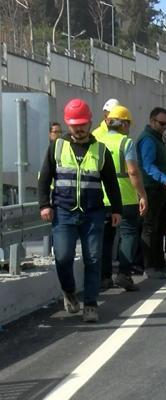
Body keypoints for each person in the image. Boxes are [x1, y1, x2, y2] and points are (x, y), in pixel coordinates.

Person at [38, 98, 122, 322]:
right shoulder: (57, 147)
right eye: (75, 124)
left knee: (93, 259)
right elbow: (44, 178)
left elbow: (111, 183)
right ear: (68, 123)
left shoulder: (100, 150)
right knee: (63, 257)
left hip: (93, 212)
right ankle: (69, 291)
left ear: (90, 121)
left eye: (83, 123)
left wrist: (116, 210)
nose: (79, 128)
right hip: (64, 211)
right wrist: (44, 205)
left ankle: (91, 305)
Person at [99, 105, 148, 291]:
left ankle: (104, 277)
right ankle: (124, 274)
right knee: (128, 234)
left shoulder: (97, 140)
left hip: (102, 198)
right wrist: (142, 195)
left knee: (106, 237)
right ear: (124, 124)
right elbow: (133, 171)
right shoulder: (126, 143)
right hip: (125, 196)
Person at [137, 106, 166, 279]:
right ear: (152, 121)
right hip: (151, 189)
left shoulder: (157, 138)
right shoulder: (148, 139)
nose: (164, 126)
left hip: (158, 190)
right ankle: (151, 266)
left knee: (159, 228)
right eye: (161, 123)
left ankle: (159, 265)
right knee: (150, 229)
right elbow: (147, 166)